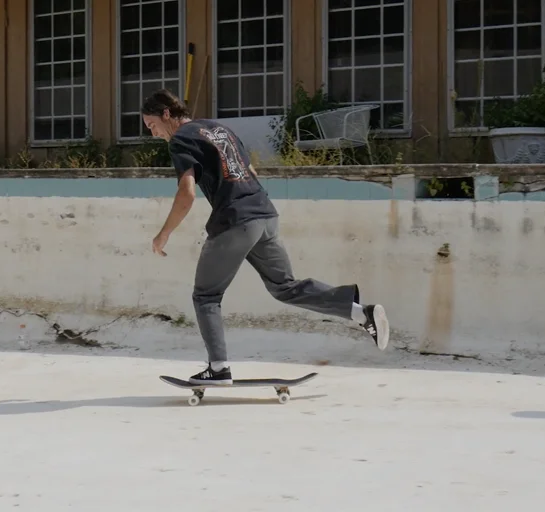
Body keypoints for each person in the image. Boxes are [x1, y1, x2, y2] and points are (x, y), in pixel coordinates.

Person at [140, 88, 389, 385]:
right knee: (286, 287)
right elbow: (251, 171)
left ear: (166, 114)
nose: (154, 133)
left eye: (152, 125)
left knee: (206, 296)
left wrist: (163, 234)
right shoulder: (220, 129)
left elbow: (187, 193)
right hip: (264, 214)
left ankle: (218, 369)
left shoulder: (182, 139)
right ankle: (362, 313)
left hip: (235, 219)